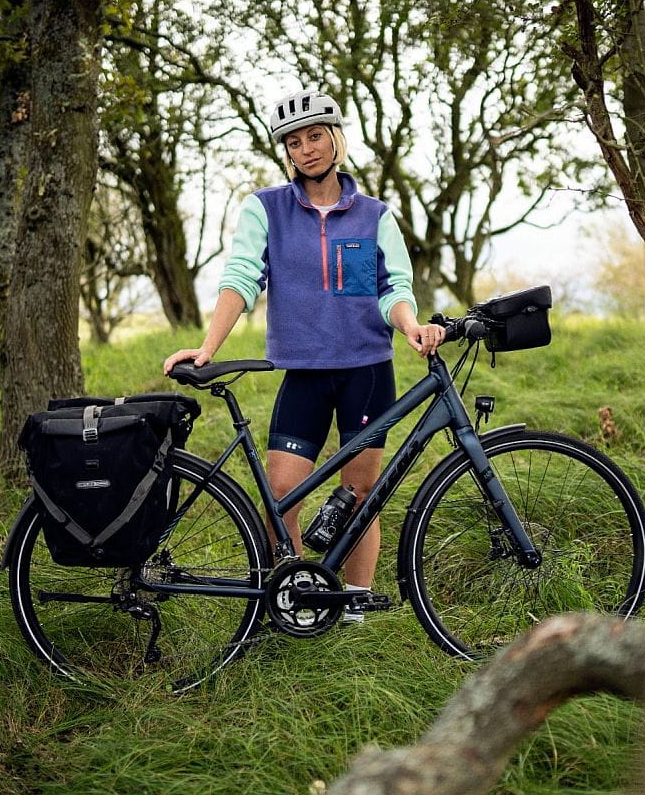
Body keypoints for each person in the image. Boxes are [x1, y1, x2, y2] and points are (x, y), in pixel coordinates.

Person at [162, 89, 444, 619]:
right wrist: (207, 346)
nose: (306, 149)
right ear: (287, 152)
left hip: (366, 373)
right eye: (294, 142)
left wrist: (410, 325)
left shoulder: (375, 216)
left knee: (359, 494)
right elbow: (241, 278)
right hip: (304, 373)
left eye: (315, 136)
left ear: (335, 139)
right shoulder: (265, 209)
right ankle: (293, 600)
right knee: (282, 492)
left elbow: (392, 288)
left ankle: (354, 608)